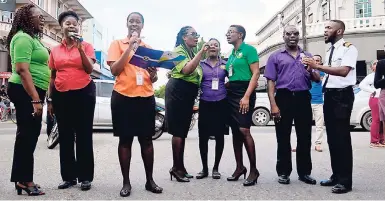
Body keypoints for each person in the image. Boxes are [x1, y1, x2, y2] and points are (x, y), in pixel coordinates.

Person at [107, 12, 162, 197]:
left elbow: (152, 78)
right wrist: (130, 48)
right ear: (127, 24)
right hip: (123, 96)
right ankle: (126, 183)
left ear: (142, 26)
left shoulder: (148, 49)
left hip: (145, 97)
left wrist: (153, 73)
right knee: (125, 140)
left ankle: (150, 180)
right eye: (131, 21)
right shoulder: (117, 44)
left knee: (147, 140)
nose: (134, 24)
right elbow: (115, 70)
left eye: (138, 22)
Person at [303, 20, 358, 194]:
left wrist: (317, 66)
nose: (325, 31)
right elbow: (323, 77)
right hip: (331, 95)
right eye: (325, 28)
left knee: (342, 138)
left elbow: (343, 71)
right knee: (333, 139)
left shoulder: (349, 48)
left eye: (328, 28)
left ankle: (345, 181)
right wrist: (311, 70)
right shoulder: (329, 50)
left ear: (339, 31)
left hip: (342, 95)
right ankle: (336, 175)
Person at [47, 11, 96, 191]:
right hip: (61, 94)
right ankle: (68, 177)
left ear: (78, 27)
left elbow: (89, 69)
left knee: (83, 135)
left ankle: (85, 177)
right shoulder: (54, 50)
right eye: (67, 23)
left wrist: (80, 48)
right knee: (65, 136)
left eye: (74, 23)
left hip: (84, 93)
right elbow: (52, 75)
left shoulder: (87, 46)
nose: (71, 26)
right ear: (61, 27)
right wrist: (50, 99)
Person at [265, 25, 320, 185]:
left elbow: (316, 78)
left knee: (305, 137)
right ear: (284, 36)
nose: (292, 36)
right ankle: (283, 172)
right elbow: (270, 82)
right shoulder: (275, 57)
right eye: (288, 34)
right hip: (284, 98)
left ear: (299, 36)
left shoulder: (307, 55)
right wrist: (273, 105)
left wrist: (312, 68)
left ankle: (304, 173)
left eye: (295, 33)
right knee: (283, 137)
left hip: (303, 98)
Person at [6, 3, 48, 196]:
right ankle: (24, 180)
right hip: (25, 91)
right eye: (38, 16)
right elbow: (22, 70)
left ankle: (21, 179)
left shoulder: (32, 38)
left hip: (32, 91)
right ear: (27, 19)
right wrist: (35, 99)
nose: (42, 19)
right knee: (27, 136)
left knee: (28, 136)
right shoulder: (22, 37)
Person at [165, 26, 208, 182]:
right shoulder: (178, 51)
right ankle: (176, 168)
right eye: (193, 34)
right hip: (178, 90)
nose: (196, 37)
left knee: (183, 131)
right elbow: (187, 70)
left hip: (187, 92)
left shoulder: (189, 52)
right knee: (178, 131)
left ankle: (180, 167)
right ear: (184, 37)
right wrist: (201, 53)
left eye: (198, 34)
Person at [225, 25, 260, 186]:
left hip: (244, 92)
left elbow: (256, 74)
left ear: (240, 35)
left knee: (244, 129)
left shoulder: (249, 50)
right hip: (231, 93)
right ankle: (239, 167)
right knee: (235, 131)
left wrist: (246, 96)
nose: (227, 34)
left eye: (230, 32)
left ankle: (253, 170)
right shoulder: (231, 54)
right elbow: (232, 75)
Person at [196, 38, 227, 180]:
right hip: (205, 103)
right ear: (206, 48)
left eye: (216, 45)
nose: (213, 47)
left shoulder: (226, 64)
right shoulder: (200, 64)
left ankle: (216, 168)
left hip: (221, 103)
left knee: (220, 136)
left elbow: (233, 79)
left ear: (219, 49)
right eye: (210, 45)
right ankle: (204, 168)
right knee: (203, 137)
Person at [360, 60, 383, 148]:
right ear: (372, 67)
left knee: (382, 120)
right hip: (375, 99)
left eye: (378, 63)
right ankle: (374, 141)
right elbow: (361, 85)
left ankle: (382, 139)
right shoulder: (371, 76)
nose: (377, 65)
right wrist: (372, 90)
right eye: (374, 63)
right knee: (376, 119)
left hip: (382, 98)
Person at [310, 55, 326, 152]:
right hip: (306, 101)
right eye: (314, 60)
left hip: (319, 102)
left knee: (319, 124)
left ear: (320, 62)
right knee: (304, 125)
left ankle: (318, 144)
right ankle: (302, 144)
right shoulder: (307, 71)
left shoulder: (323, 73)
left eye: (318, 60)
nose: (316, 62)